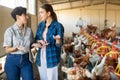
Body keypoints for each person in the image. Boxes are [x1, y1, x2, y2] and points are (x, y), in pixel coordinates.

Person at [32, 3, 64, 80]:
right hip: (41, 56)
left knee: (51, 78)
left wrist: (58, 40)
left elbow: (59, 45)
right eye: (39, 12)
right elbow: (36, 38)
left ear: (48, 13)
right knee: (43, 77)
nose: (39, 15)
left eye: (41, 12)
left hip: (52, 57)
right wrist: (38, 42)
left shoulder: (58, 26)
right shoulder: (40, 25)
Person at [3, 7, 34, 80]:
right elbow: (7, 50)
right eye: (25, 15)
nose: (27, 17)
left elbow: (31, 44)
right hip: (12, 61)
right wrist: (16, 48)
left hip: (26, 60)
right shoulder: (9, 31)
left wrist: (35, 44)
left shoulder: (29, 31)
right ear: (17, 17)